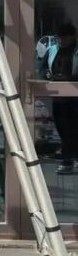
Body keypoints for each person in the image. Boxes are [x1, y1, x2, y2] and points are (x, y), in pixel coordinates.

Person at [40, 22, 78, 174]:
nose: (61, 41)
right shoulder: (52, 50)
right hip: (58, 96)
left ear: (72, 37)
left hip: (74, 96)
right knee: (62, 128)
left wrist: (68, 78)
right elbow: (43, 67)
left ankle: (68, 160)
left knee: (73, 129)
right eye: (59, 38)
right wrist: (48, 75)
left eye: (65, 38)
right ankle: (71, 157)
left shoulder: (75, 51)